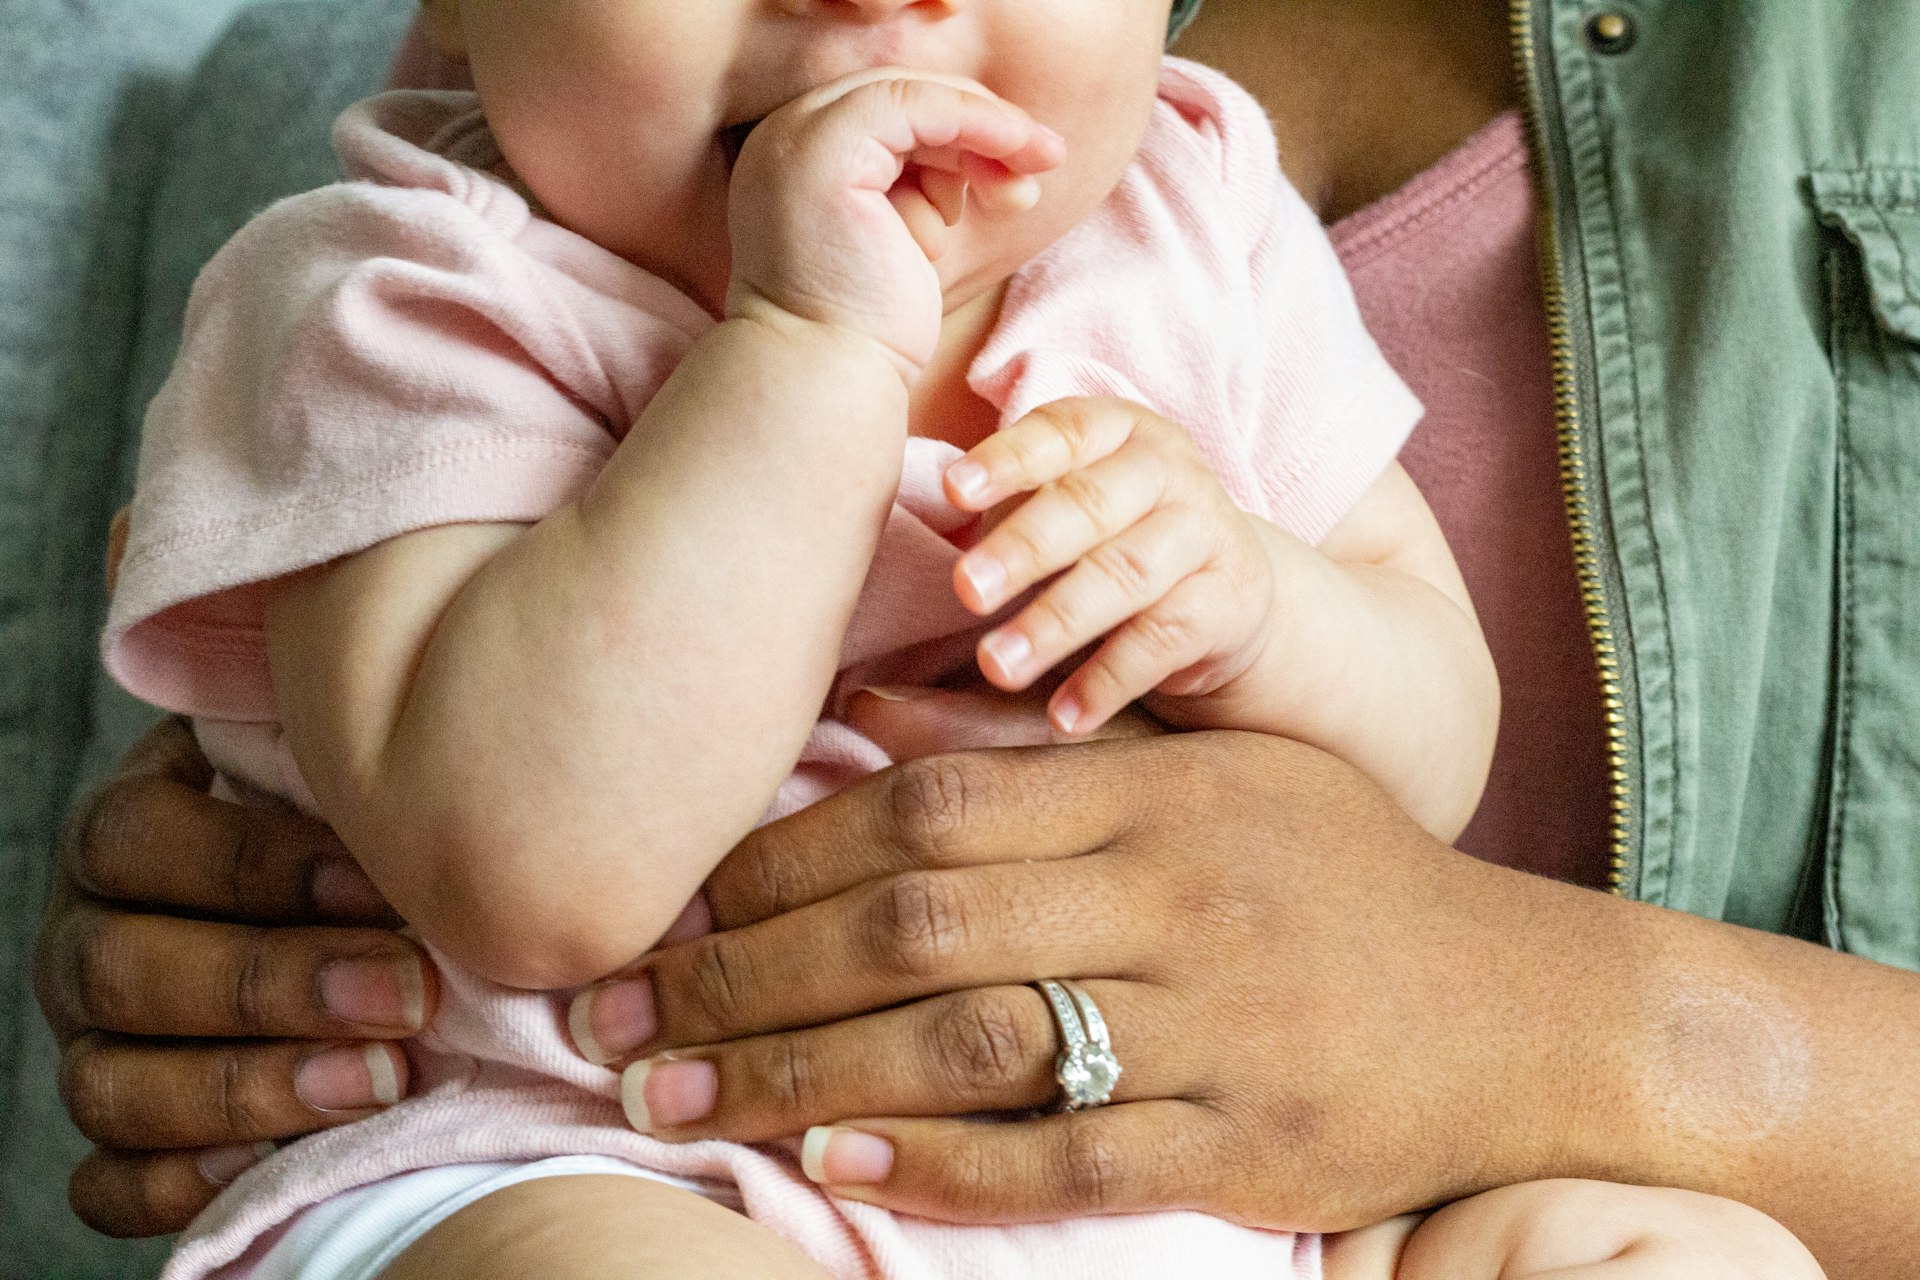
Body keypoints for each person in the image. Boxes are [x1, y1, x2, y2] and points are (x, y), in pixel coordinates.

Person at [34, 0, 1920, 1276]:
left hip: (1238, 1217)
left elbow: (1432, 741)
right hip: (614, 1159)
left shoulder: (1196, 218)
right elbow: (539, 879)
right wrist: (811, 355)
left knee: (1682, 1258)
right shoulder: (409, 291)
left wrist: (1266, 613)